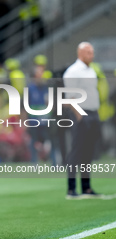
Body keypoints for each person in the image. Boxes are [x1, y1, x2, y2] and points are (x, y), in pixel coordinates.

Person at [63, 42, 101, 199]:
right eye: (88, 52)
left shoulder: (91, 70)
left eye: (92, 52)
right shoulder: (72, 72)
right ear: (80, 53)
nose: (91, 55)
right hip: (81, 114)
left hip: (93, 113)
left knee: (89, 152)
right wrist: (80, 117)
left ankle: (86, 187)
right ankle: (71, 189)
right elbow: (70, 97)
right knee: (77, 150)